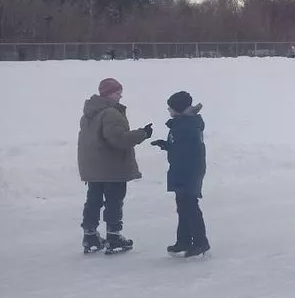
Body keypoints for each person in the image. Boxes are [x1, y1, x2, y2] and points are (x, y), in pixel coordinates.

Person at [78, 78, 151, 254]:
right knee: (114, 201)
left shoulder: (89, 113)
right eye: (118, 93)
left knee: (93, 200)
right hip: (111, 166)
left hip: (93, 166)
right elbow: (118, 139)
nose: (121, 96)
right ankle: (113, 236)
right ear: (109, 94)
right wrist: (143, 134)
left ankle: (90, 235)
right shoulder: (110, 113)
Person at [150, 91, 209, 258]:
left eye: (171, 107)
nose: (168, 110)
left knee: (190, 206)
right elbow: (180, 147)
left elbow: (190, 151)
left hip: (188, 171)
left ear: (179, 109)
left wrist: (173, 149)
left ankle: (200, 242)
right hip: (181, 169)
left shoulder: (187, 126)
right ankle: (183, 240)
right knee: (183, 207)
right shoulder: (182, 124)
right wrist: (166, 145)